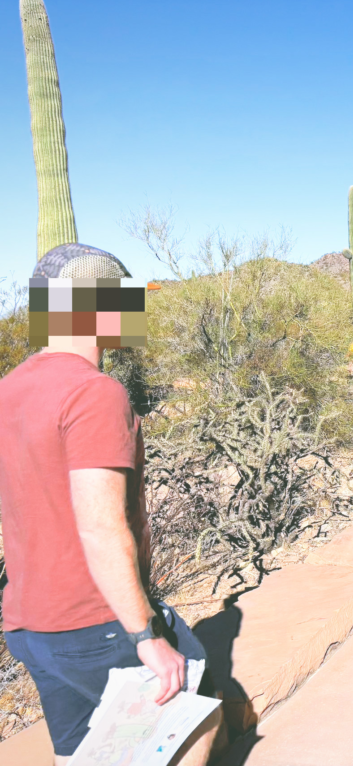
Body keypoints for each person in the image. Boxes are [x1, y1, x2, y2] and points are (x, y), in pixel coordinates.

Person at [0, 244, 221, 765]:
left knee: (82, 751)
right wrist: (145, 635)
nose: (132, 313)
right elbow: (100, 527)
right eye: (124, 299)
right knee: (194, 716)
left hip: (29, 624)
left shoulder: (9, 389)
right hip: (94, 619)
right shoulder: (94, 392)